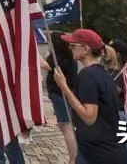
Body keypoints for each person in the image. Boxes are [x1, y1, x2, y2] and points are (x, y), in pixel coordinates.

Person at [53, 28, 127, 164]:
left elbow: (89, 117)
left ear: (85, 49)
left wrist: (63, 86)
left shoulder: (87, 75)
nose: (69, 48)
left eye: (73, 45)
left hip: (97, 153)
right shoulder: (102, 73)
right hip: (110, 149)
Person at [40, 32, 77, 164]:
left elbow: (46, 65)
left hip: (60, 94)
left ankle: (73, 159)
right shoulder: (68, 56)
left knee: (66, 126)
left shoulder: (58, 58)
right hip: (62, 94)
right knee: (64, 125)